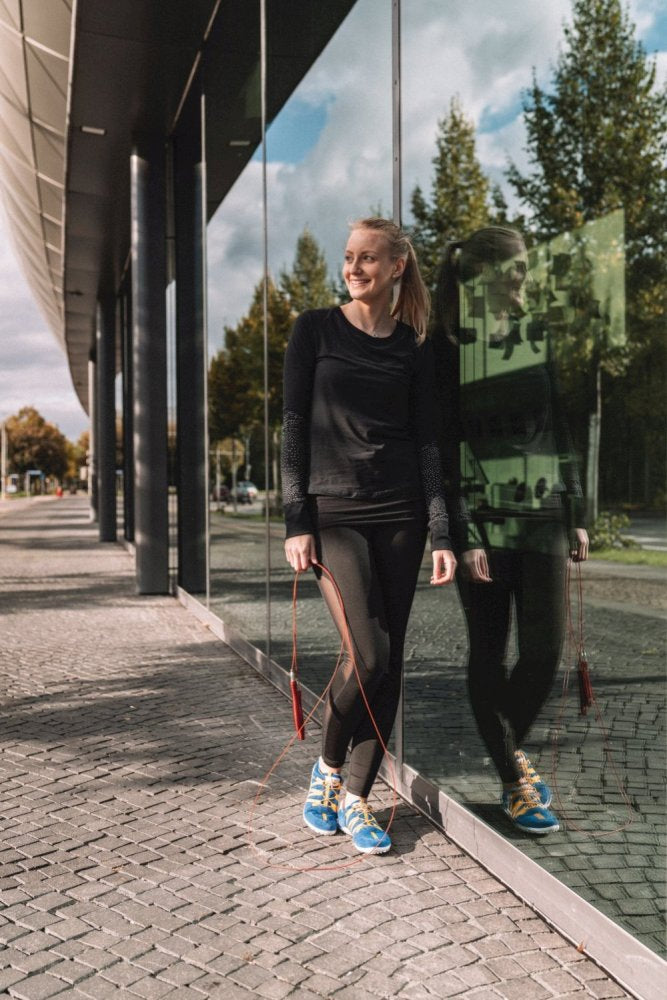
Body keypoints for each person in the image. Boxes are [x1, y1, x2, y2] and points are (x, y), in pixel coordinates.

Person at [281, 217, 457, 854]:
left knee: (390, 664)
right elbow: (294, 428)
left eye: (368, 259)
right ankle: (328, 770)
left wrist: (441, 530)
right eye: (350, 256)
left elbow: (430, 444)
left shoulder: (412, 348)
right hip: (336, 516)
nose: (354, 267)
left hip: (402, 517)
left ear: (396, 268)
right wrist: (295, 519)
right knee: (369, 656)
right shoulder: (314, 330)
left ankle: (357, 800)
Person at [432, 226, 589, 836]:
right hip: (485, 521)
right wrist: (462, 532)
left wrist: (574, 512)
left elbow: (560, 425)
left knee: (545, 651)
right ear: (483, 274)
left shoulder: (533, 334)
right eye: (516, 267)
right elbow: (447, 447)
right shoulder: (446, 348)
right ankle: (513, 780)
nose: (524, 277)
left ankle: (505, 752)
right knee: (489, 652)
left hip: (544, 511)